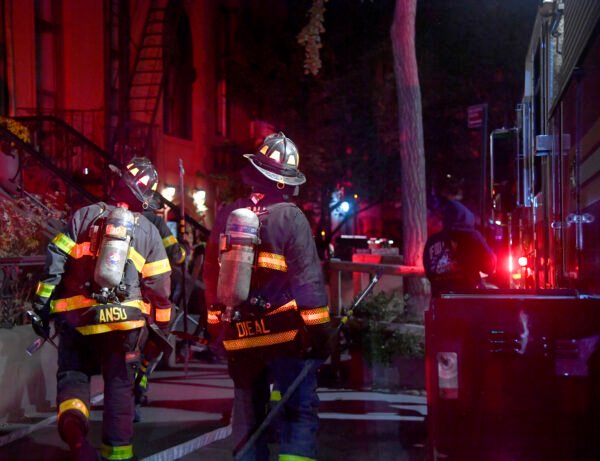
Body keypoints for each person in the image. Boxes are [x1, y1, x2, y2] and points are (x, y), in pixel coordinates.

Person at [31, 157, 173, 461]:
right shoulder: (148, 230)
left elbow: (54, 262)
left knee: (73, 379)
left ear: (117, 183)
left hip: (79, 318)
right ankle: (117, 455)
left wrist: (42, 306)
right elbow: (161, 289)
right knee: (120, 389)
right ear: (142, 199)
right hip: (127, 326)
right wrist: (162, 331)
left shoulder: (82, 217)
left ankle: (78, 443)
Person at [204, 132, 333, 461]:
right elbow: (307, 283)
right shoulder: (291, 218)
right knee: (298, 411)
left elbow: (211, 275)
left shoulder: (227, 215)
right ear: (285, 182)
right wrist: (319, 334)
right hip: (285, 333)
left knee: (248, 417)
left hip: (241, 335)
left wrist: (217, 328)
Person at [423, 198, 497, 297]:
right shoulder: (471, 238)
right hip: (467, 302)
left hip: (440, 302)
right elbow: (489, 266)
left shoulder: (432, 241)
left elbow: (429, 273)